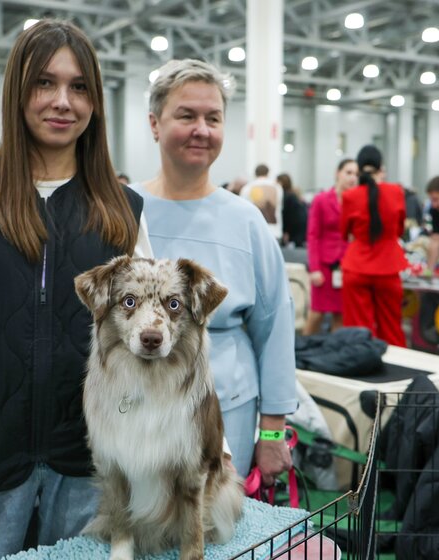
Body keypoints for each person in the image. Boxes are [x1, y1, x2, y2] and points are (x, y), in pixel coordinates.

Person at [0, 20, 150, 559]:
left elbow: (147, 347)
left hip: (89, 473)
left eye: (79, 86)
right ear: (17, 91)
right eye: (45, 83)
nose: (63, 101)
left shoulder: (122, 212)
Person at [130, 58, 296, 484]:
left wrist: (273, 430)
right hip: (132, 406)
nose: (201, 129)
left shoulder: (247, 221)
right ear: (154, 124)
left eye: (213, 118)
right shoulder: (121, 211)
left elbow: (274, 325)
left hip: (226, 408)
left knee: (213, 531)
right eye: (186, 115)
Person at [339, 145, 408, 347]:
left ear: (359, 169)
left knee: (358, 329)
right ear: (381, 168)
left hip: (357, 266)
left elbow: (344, 232)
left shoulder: (350, 196)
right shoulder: (396, 192)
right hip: (388, 266)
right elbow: (399, 229)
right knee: (392, 328)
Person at [304, 159, 358, 335]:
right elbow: (313, 236)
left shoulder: (356, 202)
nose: (352, 178)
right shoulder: (321, 200)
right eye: (348, 172)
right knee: (316, 314)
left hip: (347, 266)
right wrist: (314, 268)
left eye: (356, 174)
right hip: (324, 266)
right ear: (338, 173)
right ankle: (299, 352)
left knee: (340, 316)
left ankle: (334, 356)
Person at [240, 164, 283, 242]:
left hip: (254, 229)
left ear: (255, 173)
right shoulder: (277, 187)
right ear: (268, 173)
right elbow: (280, 206)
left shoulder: (248, 187)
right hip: (274, 229)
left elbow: (243, 209)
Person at [276, 173, 307, 247]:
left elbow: (287, 215)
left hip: (293, 231)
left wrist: (286, 231)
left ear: (281, 183)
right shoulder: (293, 195)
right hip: (298, 229)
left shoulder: (286, 196)